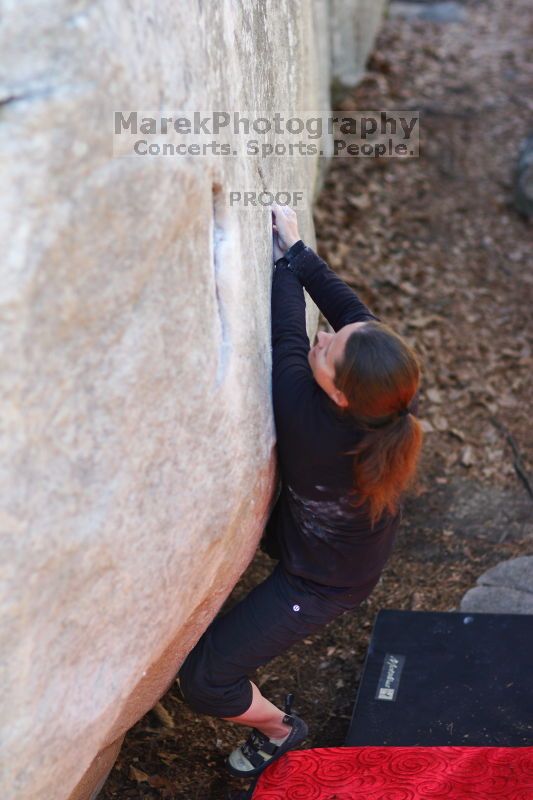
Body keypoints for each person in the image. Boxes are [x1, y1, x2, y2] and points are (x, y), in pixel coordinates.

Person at [178, 203, 424, 778]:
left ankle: (280, 729)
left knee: (206, 680)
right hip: (315, 537)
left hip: (319, 582)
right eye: (334, 339)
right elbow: (352, 314)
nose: (326, 337)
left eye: (327, 351)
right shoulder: (394, 396)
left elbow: (288, 334)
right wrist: (297, 250)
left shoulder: (310, 425)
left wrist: (284, 267)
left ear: (340, 396)